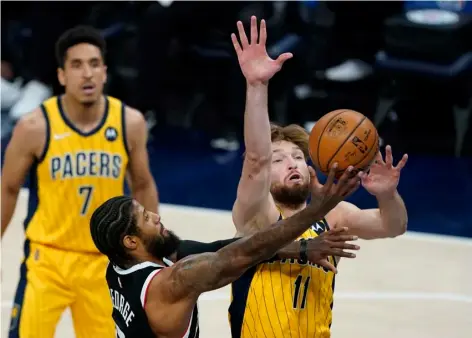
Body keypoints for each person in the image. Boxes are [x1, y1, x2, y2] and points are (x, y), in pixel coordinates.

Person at [228, 16, 409, 338]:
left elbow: (393, 226)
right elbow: (256, 160)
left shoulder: (333, 216)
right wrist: (257, 86)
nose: (292, 163)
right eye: (279, 160)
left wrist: (386, 194)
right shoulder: (257, 215)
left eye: (298, 157)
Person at [1, 26, 159, 338]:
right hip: (46, 260)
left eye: (94, 64)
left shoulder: (130, 123)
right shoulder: (34, 126)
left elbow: (142, 185)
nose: (87, 73)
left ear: (104, 71)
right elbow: (8, 189)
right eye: (77, 65)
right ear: (61, 76)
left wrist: (152, 250)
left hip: (103, 261)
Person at [90, 164, 361, 338]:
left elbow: (219, 248)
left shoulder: (119, 265)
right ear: (131, 242)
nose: (156, 216)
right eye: (145, 218)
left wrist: (300, 248)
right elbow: (239, 255)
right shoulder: (171, 283)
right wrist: (317, 209)